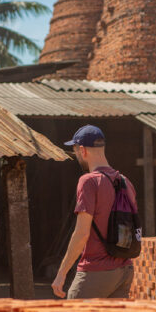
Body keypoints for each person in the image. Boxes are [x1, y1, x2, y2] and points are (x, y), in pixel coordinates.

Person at [51, 125, 137, 299]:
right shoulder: (125, 181)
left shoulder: (89, 181)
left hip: (96, 270)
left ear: (82, 150)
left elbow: (82, 233)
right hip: (125, 270)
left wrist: (61, 273)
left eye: (74, 152)